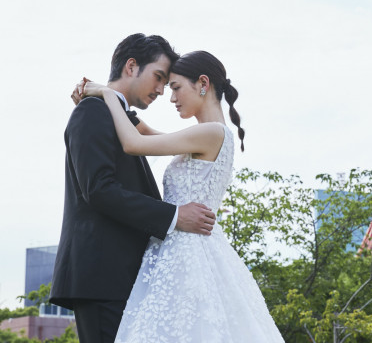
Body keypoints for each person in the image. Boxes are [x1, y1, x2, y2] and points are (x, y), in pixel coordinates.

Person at [79, 50, 285, 343]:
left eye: (175, 87)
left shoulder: (212, 132)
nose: (171, 97)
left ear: (203, 83)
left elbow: (133, 142)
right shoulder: (206, 134)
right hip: (182, 247)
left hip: (186, 251)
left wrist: (107, 94)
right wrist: (104, 94)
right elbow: (146, 131)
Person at [50, 34, 217, 343]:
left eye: (167, 84)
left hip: (124, 277)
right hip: (102, 279)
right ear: (131, 66)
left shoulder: (114, 114)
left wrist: (104, 92)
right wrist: (174, 216)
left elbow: (141, 133)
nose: (160, 90)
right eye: (158, 77)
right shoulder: (91, 112)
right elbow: (98, 189)